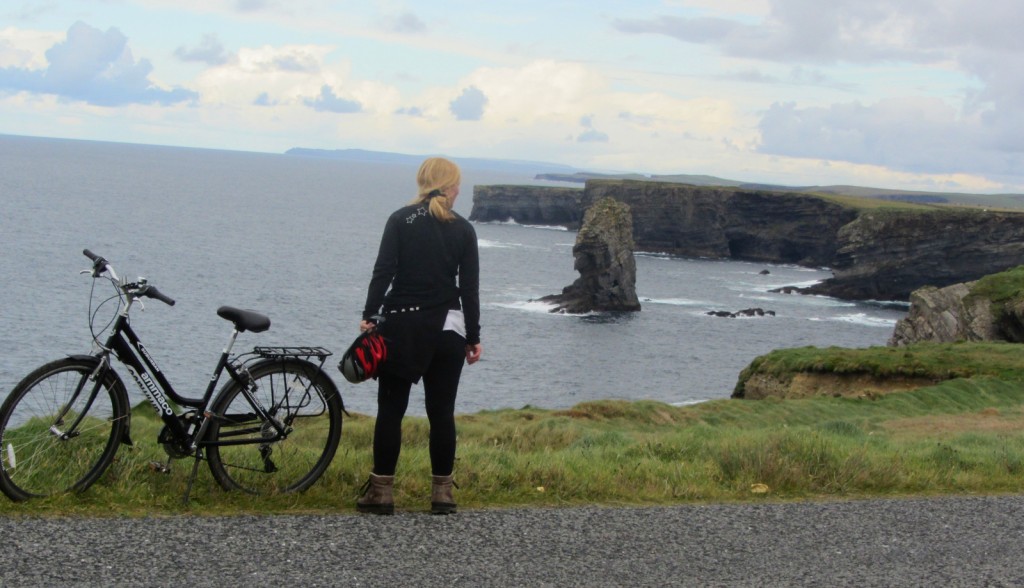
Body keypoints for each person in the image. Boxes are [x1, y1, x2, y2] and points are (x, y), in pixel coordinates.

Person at [355, 156, 482, 515]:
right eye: (458, 184)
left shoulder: (399, 220)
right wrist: (473, 336)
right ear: (450, 186)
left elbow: (383, 272)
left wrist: (369, 315)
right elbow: (469, 289)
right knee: (442, 412)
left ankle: (381, 493)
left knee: (391, 410)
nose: (459, 191)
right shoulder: (463, 229)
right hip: (448, 330)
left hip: (402, 329)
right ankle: (442, 494)